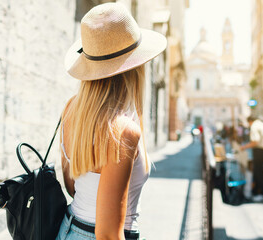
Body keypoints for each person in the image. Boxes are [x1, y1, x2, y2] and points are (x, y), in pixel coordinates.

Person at [56, 3, 167, 240]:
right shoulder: (123, 131)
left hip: (67, 229)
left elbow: (72, 185)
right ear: (136, 67)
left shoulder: (71, 108)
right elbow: (107, 234)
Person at [240, 116, 263, 202]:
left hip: (259, 150)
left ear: (250, 121)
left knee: (258, 172)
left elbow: (255, 141)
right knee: (261, 171)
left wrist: (244, 147)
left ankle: (259, 193)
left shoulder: (254, 126)